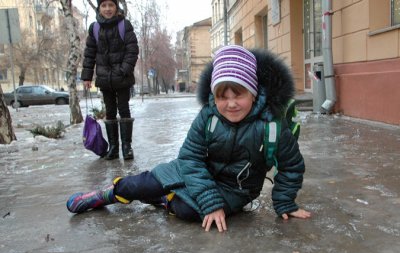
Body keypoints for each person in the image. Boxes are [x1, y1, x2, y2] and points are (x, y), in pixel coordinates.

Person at [67, 45, 311, 232]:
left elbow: (291, 166)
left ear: (254, 92)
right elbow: (190, 157)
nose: (231, 104)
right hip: (193, 171)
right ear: (213, 96)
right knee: (141, 183)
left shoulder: (272, 127)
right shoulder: (208, 117)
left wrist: (284, 203)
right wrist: (206, 196)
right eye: (222, 96)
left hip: (234, 190)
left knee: (189, 211)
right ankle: (107, 195)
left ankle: (165, 198)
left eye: (239, 94)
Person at [81, 0, 139, 160]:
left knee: (124, 109)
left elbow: (132, 50)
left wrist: (124, 70)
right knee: (110, 111)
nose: (107, 9)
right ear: (99, 8)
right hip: (105, 78)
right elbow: (90, 53)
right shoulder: (95, 28)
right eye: (104, 6)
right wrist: (87, 76)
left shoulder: (124, 25)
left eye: (111, 5)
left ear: (116, 7)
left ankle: (127, 147)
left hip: (122, 78)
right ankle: (113, 148)